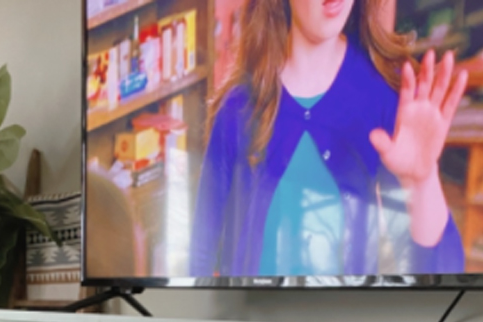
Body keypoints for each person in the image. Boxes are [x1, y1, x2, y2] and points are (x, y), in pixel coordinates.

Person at [191, 0, 468, 279]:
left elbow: (441, 273)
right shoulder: (237, 109)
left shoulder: (384, 100)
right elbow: (199, 255)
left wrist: (422, 183)